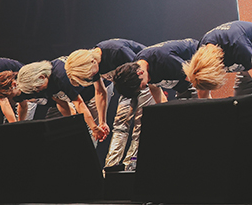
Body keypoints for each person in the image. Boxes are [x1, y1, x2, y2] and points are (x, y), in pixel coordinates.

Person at [66, 39, 147, 169]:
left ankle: (131, 163)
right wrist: (102, 122)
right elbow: (100, 92)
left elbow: (142, 71)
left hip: (144, 83)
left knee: (140, 124)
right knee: (120, 124)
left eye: (91, 75)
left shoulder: (117, 52)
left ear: (93, 62)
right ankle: (111, 166)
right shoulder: (93, 64)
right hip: (126, 88)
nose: (92, 76)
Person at [16, 58, 108, 140]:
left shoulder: (60, 75)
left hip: (94, 92)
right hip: (78, 97)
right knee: (75, 132)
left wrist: (94, 128)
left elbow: (79, 103)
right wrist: (71, 122)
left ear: (42, 77)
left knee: (92, 132)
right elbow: (60, 102)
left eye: (37, 88)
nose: (37, 91)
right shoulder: (46, 84)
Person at [183, 21, 252, 98]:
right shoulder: (203, 50)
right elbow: (203, 91)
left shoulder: (237, 45)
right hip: (244, 61)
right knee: (240, 101)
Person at [111, 39, 200, 102]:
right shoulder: (140, 66)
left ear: (140, 73)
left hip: (197, 67)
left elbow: (198, 80)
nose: (143, 88)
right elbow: (153, 87)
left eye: (142, 86)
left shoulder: (164, 60)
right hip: (182, 83)